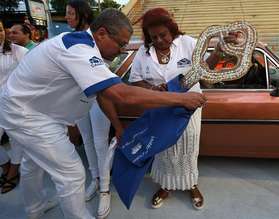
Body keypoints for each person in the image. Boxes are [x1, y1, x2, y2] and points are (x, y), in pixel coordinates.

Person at [0, 8, 206, 219]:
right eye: (121, 44)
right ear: (101, 34)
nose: (122, 50)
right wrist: (182, 98)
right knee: (71, 174)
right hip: (28, 115)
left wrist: (117, 125)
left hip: (37, 111)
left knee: (32, 164)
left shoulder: (91, 49)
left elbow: (103, 94)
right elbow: (120, 94)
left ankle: (35, 208)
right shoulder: (79, 49)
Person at [129, 8, 207, 210]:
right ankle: (165, 186)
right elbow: (136, 81)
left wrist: (223, 50)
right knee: (163, 149)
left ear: (172, 29)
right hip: (161, 108)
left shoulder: (188, 43)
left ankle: (191, 184)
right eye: (153, 37)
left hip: (189, 107)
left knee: (189, 147)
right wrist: (153, 89)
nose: (159, 40)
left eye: (163, 34)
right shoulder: (143, 52)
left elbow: (205, 69)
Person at [65, 1, 116, 218]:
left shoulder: (93, 37)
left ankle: (105, 188)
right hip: (78, 98)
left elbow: (104, 67)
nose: (67, 17)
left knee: (99, 141)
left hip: (99, 96)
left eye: (70, 13)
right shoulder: (69, 39)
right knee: (86, 140)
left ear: (82, 14)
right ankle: (95, 179)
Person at [0, 19, 28, 194]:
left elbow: (31, 77)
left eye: (1, 29)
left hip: (14, 104)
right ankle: (6, 166)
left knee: (15, 140)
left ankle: (12, 173)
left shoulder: (19, 51)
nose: (0, 33)